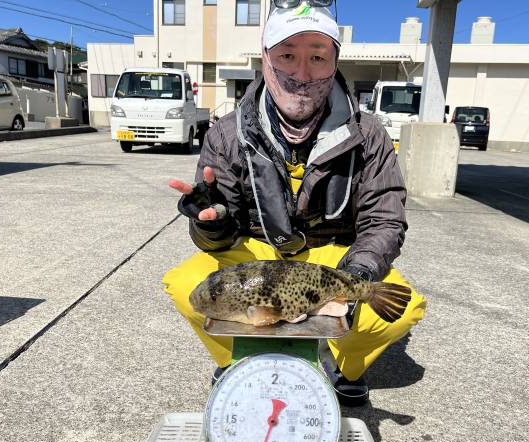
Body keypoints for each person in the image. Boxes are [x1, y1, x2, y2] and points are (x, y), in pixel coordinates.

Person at [163, 1, 426, 406]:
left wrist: (351, 279)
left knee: (400, 308)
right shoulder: (227, 133)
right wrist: (211, 224)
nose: (302, 75)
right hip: (258, 253)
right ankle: (236, 358)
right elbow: (218, 239)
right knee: (186, 286)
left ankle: (343, 365)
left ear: (335, 62)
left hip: (335, 258)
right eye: (287, 56)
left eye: (317, 58)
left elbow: (384, 221)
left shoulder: (369, 134)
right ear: (265, 58)